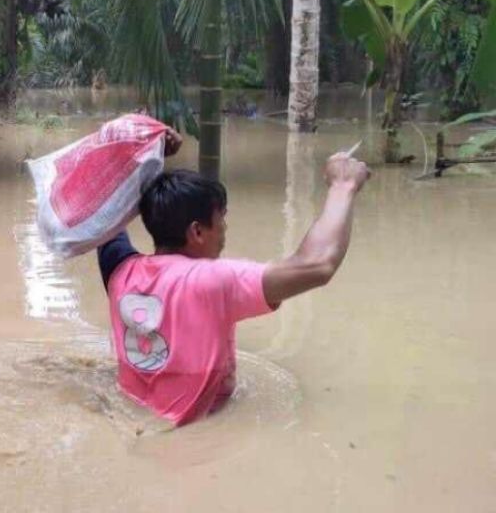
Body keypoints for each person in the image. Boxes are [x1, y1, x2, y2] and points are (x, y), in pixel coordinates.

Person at [98, 132, 370, 426]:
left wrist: (141, 159)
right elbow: (317, 265)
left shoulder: (119, 271)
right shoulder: (214, 281)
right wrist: (343, 185)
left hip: (129, 414)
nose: (225, 228)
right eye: (222, 218)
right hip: (195, 431)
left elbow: (104, 213)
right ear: (198, 232)